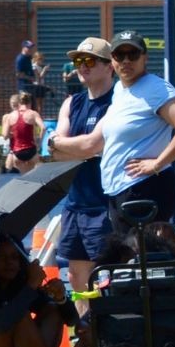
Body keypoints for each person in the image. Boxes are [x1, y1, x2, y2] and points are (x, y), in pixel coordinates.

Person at [99, 30, 175, 237]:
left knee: (146, 262)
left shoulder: (155, 88)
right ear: (112, 60)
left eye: (133, 55)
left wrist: (157, 163)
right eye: (120, 55)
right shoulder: (120, 88)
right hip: (122, 190)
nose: (126, 61)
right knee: (130, 261)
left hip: (144, 189)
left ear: (145, 58)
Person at [44, 37, 118, 304]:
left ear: (109, 66)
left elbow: (90, 144)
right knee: (76, 275)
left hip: (104, 202)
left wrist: (68, 145)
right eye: (78, 61)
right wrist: (71, 147)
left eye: (89, 61)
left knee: (105, 274)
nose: (82, 66)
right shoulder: (71, 103)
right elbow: (55, 151)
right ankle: (85, 332)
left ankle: (107, 331)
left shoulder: (117, 101)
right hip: (75, 202)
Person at [1, 93, 44, 175]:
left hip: (17, 151)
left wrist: (13, 134)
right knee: (33, 177)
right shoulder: (32, 114)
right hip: (31, 150)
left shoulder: (10, 116)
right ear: (30, 103)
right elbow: (43, 128)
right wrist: (39, 143)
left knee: (19, 178)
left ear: (19, 103)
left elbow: (5, 135)